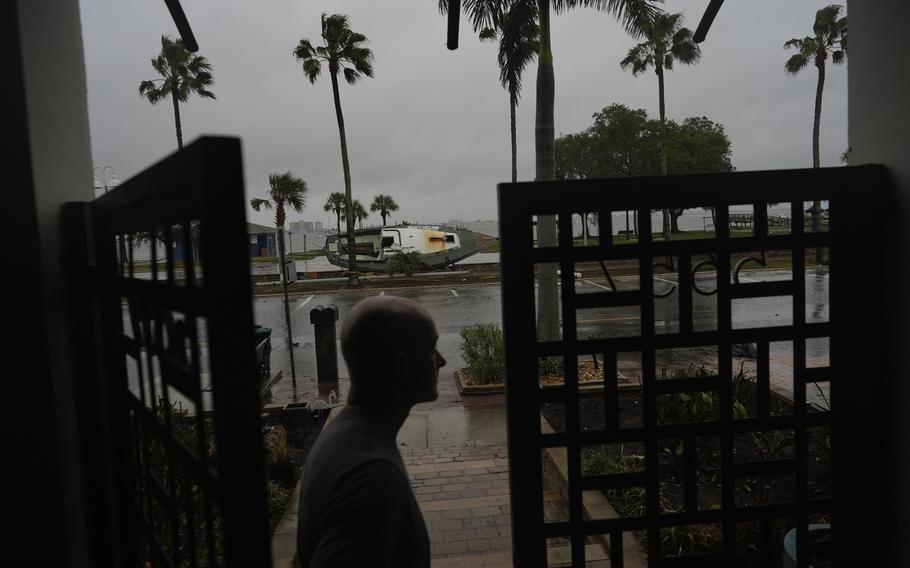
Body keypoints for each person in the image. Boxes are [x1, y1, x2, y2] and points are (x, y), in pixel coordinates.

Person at [297, 296, 446, 567]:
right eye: (431, 348)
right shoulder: (372, 476)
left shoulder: (346, 435)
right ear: (403, 366)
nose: (441, 361)